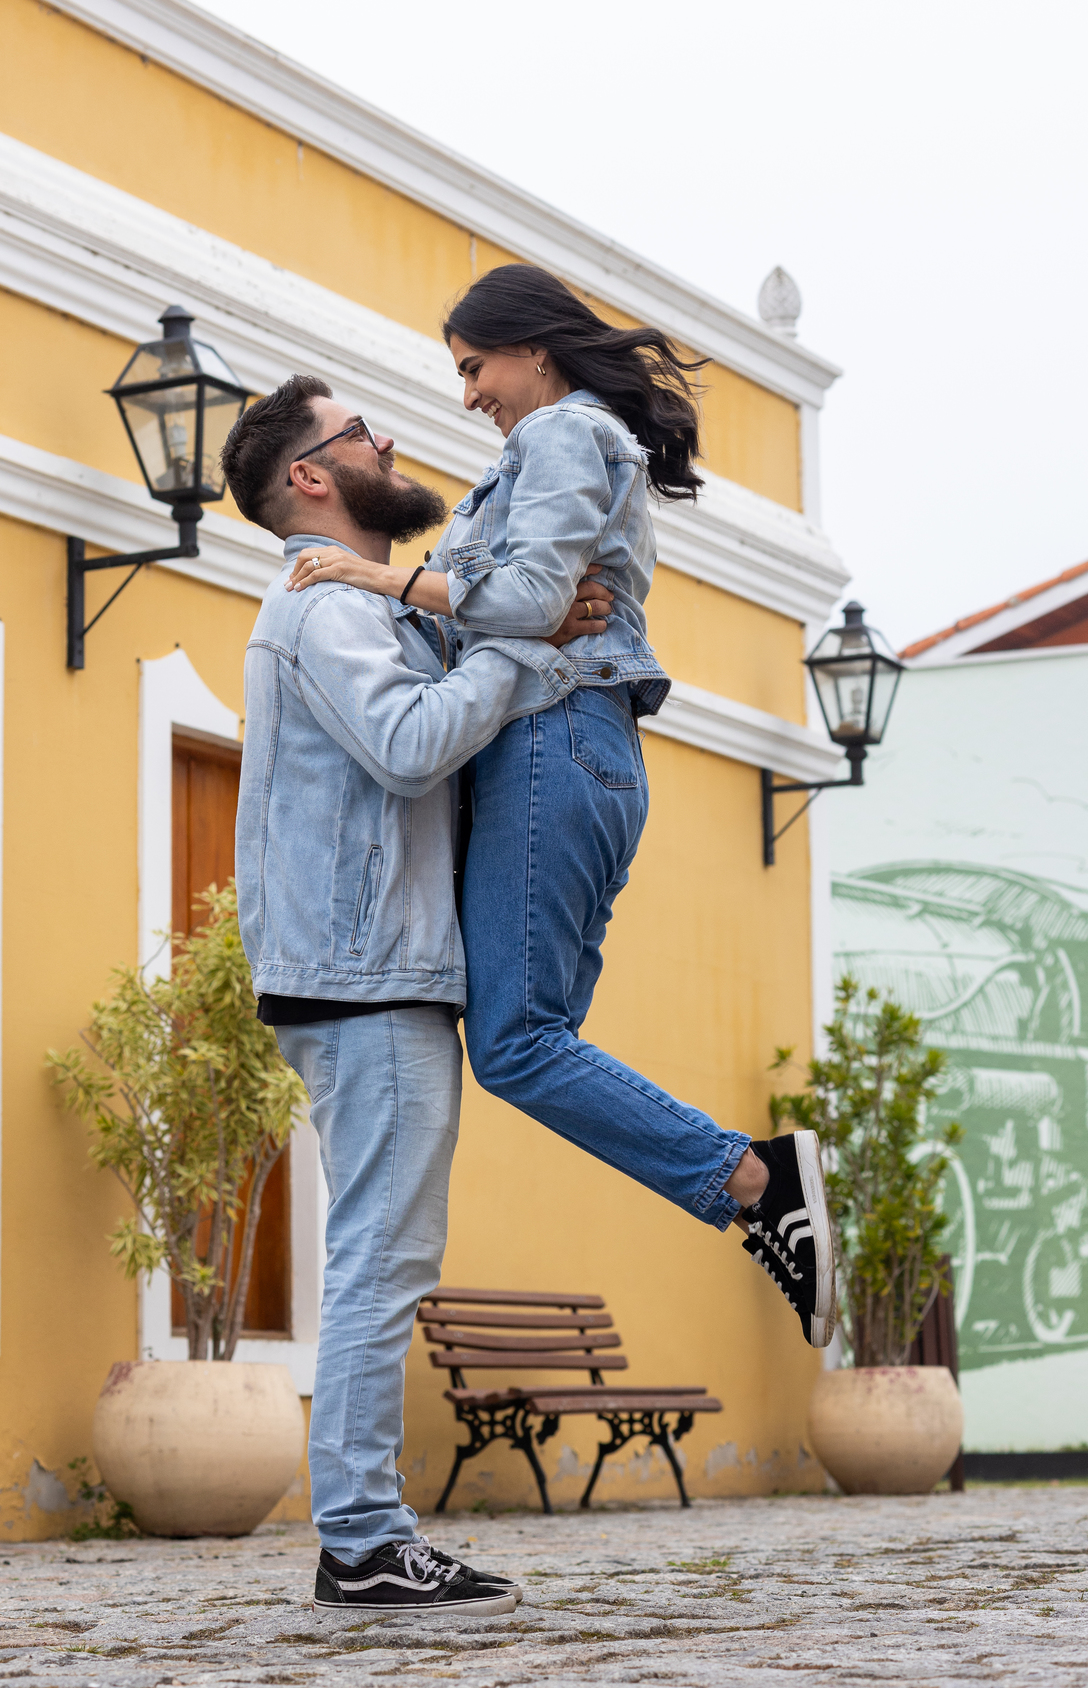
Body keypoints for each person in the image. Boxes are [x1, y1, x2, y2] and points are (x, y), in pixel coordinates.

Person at [285, 264, 837, 1352]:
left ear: (533, 348)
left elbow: (529, 604)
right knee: (529, 1043)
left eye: (474, 366)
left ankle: (755, 1178)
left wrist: (370, 579)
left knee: (519, 1045)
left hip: (556, 742)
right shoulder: (543, 452)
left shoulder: (560, 437)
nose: (467, 394)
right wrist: (464, 608)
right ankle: (751, 1179)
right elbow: (517, 609)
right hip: (564, 750)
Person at [223, 374, 615, 1616]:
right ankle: (361, 1539)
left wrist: (504, 630)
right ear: (311, 478)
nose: (388, 438)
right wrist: (520, 642)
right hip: (363, 979)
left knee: (379, 1255)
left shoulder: (359, 605)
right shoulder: (321, 605)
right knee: (381, 1262)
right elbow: (406, 743)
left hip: (365, 973)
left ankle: (366, 1534)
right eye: (359, 432)